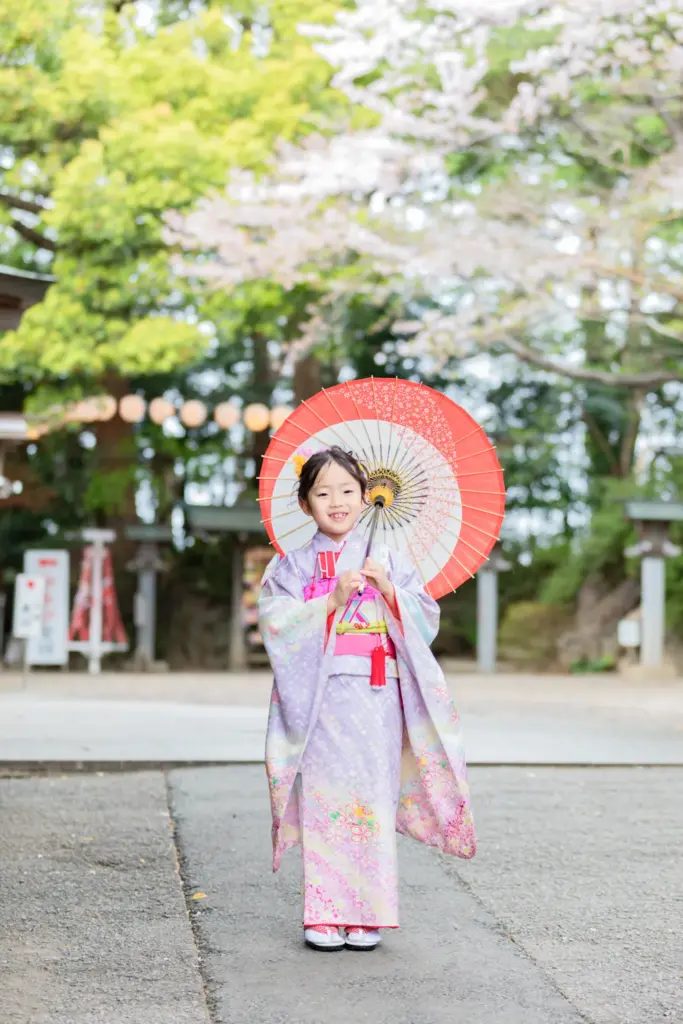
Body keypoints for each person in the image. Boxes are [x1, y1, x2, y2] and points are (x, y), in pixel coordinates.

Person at [258, 445, 476, 953]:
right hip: (323, 695)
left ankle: (366, 914)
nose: (337, 501)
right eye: (323, 492)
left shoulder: (389, 558)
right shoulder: (292, 564)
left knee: (371, 803)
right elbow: (276, 623)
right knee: (327, 801)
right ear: (306, 502)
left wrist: (392, 592)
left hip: (377, 694)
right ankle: (325, 912)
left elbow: (425, 620)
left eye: (347, 491)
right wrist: (328, 601)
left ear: (366, 496)